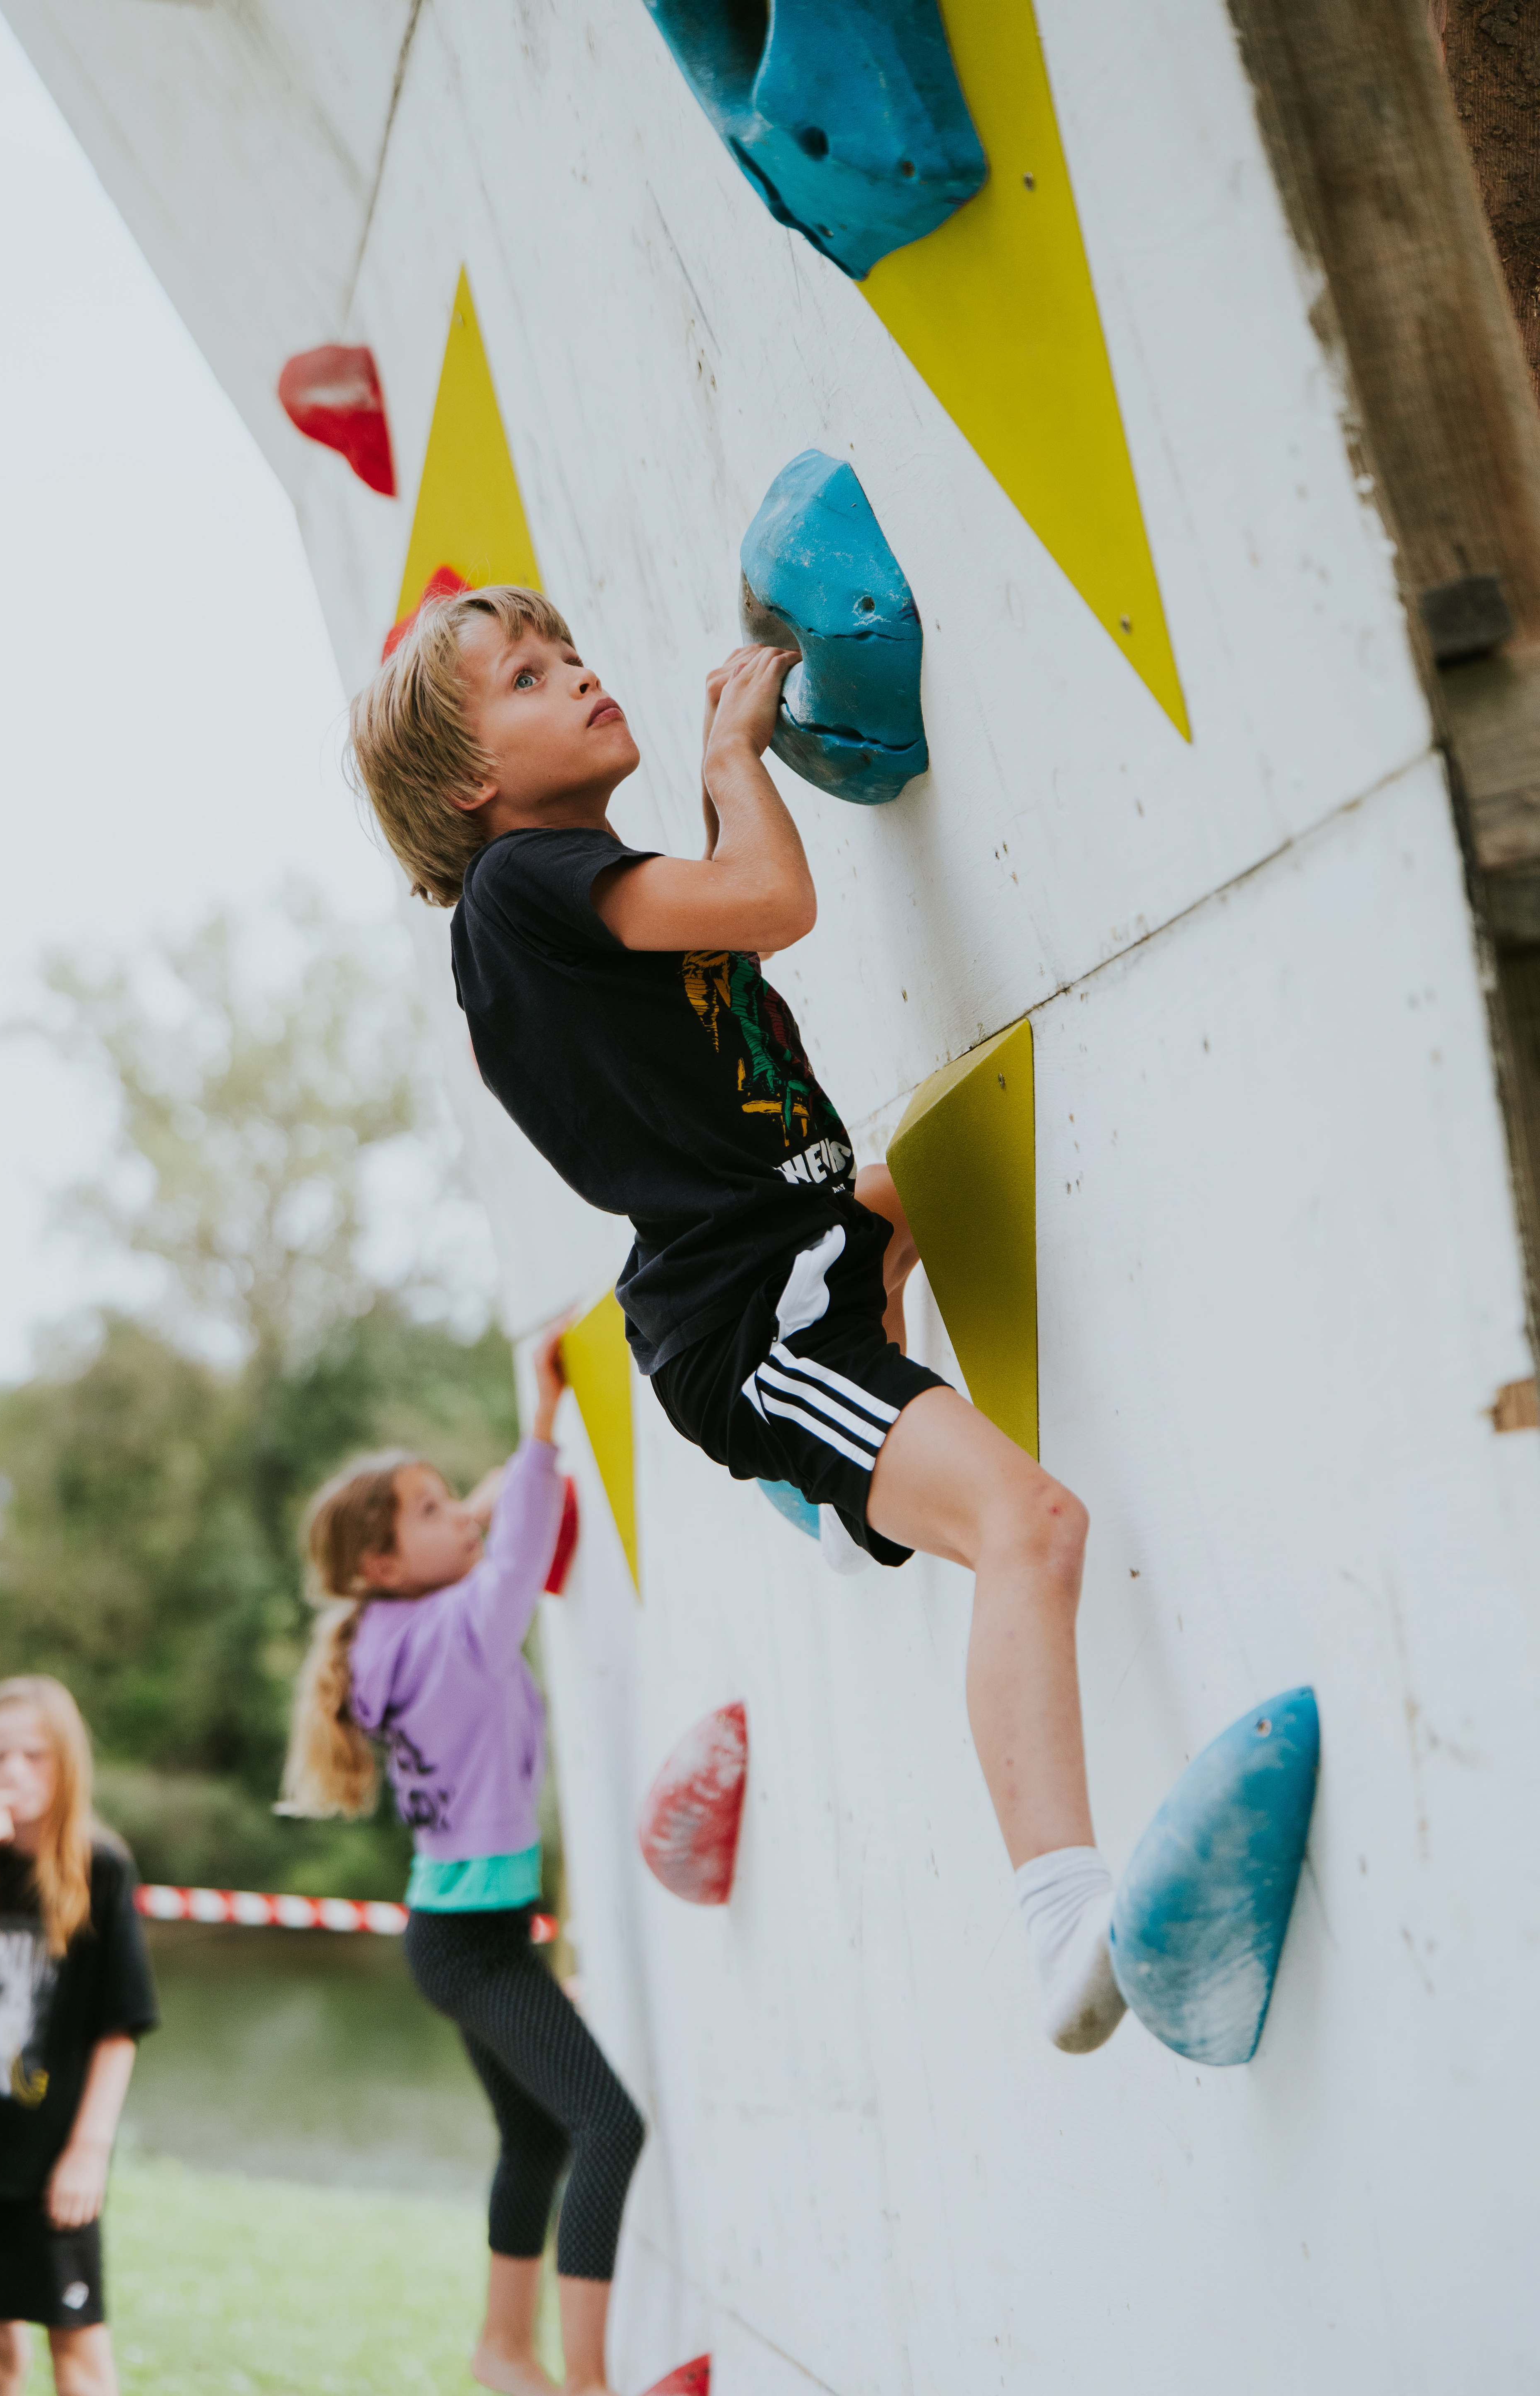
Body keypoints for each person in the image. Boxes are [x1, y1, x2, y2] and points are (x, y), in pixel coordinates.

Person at [344, 583, 1126, 2059]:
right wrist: (730, 759)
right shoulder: (521, 889)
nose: (580, 675)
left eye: (571, 653)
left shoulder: (568, 902)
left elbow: (723, 929)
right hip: (765, 1325)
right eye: (528, 678)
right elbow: (771, 904)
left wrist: (720, 791)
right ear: (469, 785)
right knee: (1033, 1527)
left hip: (810, 1246)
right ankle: (1060, 1920)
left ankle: (843, 1507)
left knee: (910, 1188)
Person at [280, 1332, 644, 2396]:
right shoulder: (460, 1634)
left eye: (451, 1500)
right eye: (431, 1510)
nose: (460, 1517)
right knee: (607, 2127)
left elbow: (485, 1541)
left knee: (534, 2141)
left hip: (454, 1934)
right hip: (477, 1945)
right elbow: (515, 1560)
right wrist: (543, 1423)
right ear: (382, 1566)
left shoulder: (384, 1640)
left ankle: (502, 2350)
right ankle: (588, 2384)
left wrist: (475, 1506)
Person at [0, 1677, 158, 2396]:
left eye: (34, 1755)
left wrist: (88, 2152)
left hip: (50, 2160)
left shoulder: (101, 1868)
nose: (14, 1771)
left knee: (80, 2348)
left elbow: (119, 2028)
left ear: (67, 1764)